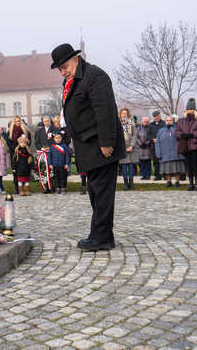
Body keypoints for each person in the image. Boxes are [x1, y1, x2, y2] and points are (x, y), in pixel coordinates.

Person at [52, 43, 125, 251]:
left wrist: (106, 142)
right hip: (87, 144)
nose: (63, 72)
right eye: (60, 69)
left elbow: (105, 111)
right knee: (95, 191)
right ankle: (104, 235)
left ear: (76, 58)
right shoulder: (72, 80)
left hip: (100, 144)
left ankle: (100, 237)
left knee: (101, 192)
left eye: (65, 66)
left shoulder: (94, 76)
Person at [176, 98, 197, 191]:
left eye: (191, 109)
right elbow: (177, 131)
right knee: (188, 165)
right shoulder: (181, 120)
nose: (189, 110)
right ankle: (191, 183)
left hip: (194, 145)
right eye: (188, 109)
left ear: (194, 109)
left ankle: (196, 183)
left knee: (195, 164)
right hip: (185, 145)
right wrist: (182, 135)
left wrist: (192, 134)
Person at [155, 115, 185, 187]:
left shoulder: (177, 129)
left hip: (176, 153)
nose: (168, 122)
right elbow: (157, 143)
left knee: (176, 169)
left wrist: (182, 151)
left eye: (170, 120)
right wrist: (158, 154)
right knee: (167, 169)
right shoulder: (161, 131)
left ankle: (177, 182)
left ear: (173, 121)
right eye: (167, 120)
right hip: (165, 153)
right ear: (165, 121)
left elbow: (182, 141)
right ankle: (169, 182)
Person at [7, 116, 31, 194]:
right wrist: (15, 148)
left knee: (25, 170)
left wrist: (24, 147)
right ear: (14, 122)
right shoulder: (10, 131)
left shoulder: (25, 130)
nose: (18, 122)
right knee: (15, 171)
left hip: (24, 153)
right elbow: (9, 142)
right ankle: (17, 188)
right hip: (14, 153)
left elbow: (29, 141)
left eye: (19, 121)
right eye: (16, 121)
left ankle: (25, 188)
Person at [119, 107, 138, 190]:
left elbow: (134, 135)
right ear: (120, 114)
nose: (124, 115)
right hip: (123, 148)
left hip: (131, 148)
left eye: (125, 113)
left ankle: (131, 183)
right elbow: (117, 137)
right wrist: (123, 147)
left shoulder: (132, 123)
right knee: (124, 166)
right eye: (123, 113)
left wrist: (131, 146)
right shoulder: (118, 124)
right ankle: (125, 184)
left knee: (131, 166)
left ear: (128, 114)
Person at [148, 111, 164, 180]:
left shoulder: (164, 123)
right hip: (153, 146)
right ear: (153, 117)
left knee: (163, 161)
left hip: (162, 145)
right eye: (155, 116)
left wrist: (159, 139)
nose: (156, 117)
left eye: (157, 116)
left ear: (159, 116)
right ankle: (157, 175)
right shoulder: (150, 125)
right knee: (155, 161)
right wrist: (152, 139)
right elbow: (148, 135)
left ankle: (164, 174)